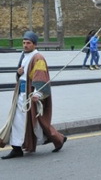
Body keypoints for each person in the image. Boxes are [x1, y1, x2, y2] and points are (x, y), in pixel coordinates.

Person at [0, 31, 67, 159]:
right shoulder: (23, 55)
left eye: (28, 43)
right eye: (24, 42)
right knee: (17, 121)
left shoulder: (38, 58)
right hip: (21, 94)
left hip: (31, 96)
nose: (25, 45)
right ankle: (16, 148)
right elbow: (22, 75)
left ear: (34, 44)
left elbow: (40, 77)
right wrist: (18, 73)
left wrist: (37, 93)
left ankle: (58, 139)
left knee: (39, 122)